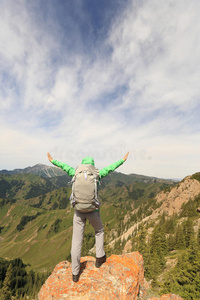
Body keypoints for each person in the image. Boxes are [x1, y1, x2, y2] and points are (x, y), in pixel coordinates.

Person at [47, 151, 129, 282]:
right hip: (93, 210)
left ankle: (75, 273)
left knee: (76, 239)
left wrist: (52, 160)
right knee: (99, 230)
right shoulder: (97, 174)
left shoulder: (74, 172)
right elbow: (110, 168)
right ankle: (99, 257)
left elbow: (63, 165)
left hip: (78, 210)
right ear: (92, 165)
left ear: (82, 164)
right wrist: (122, 160)